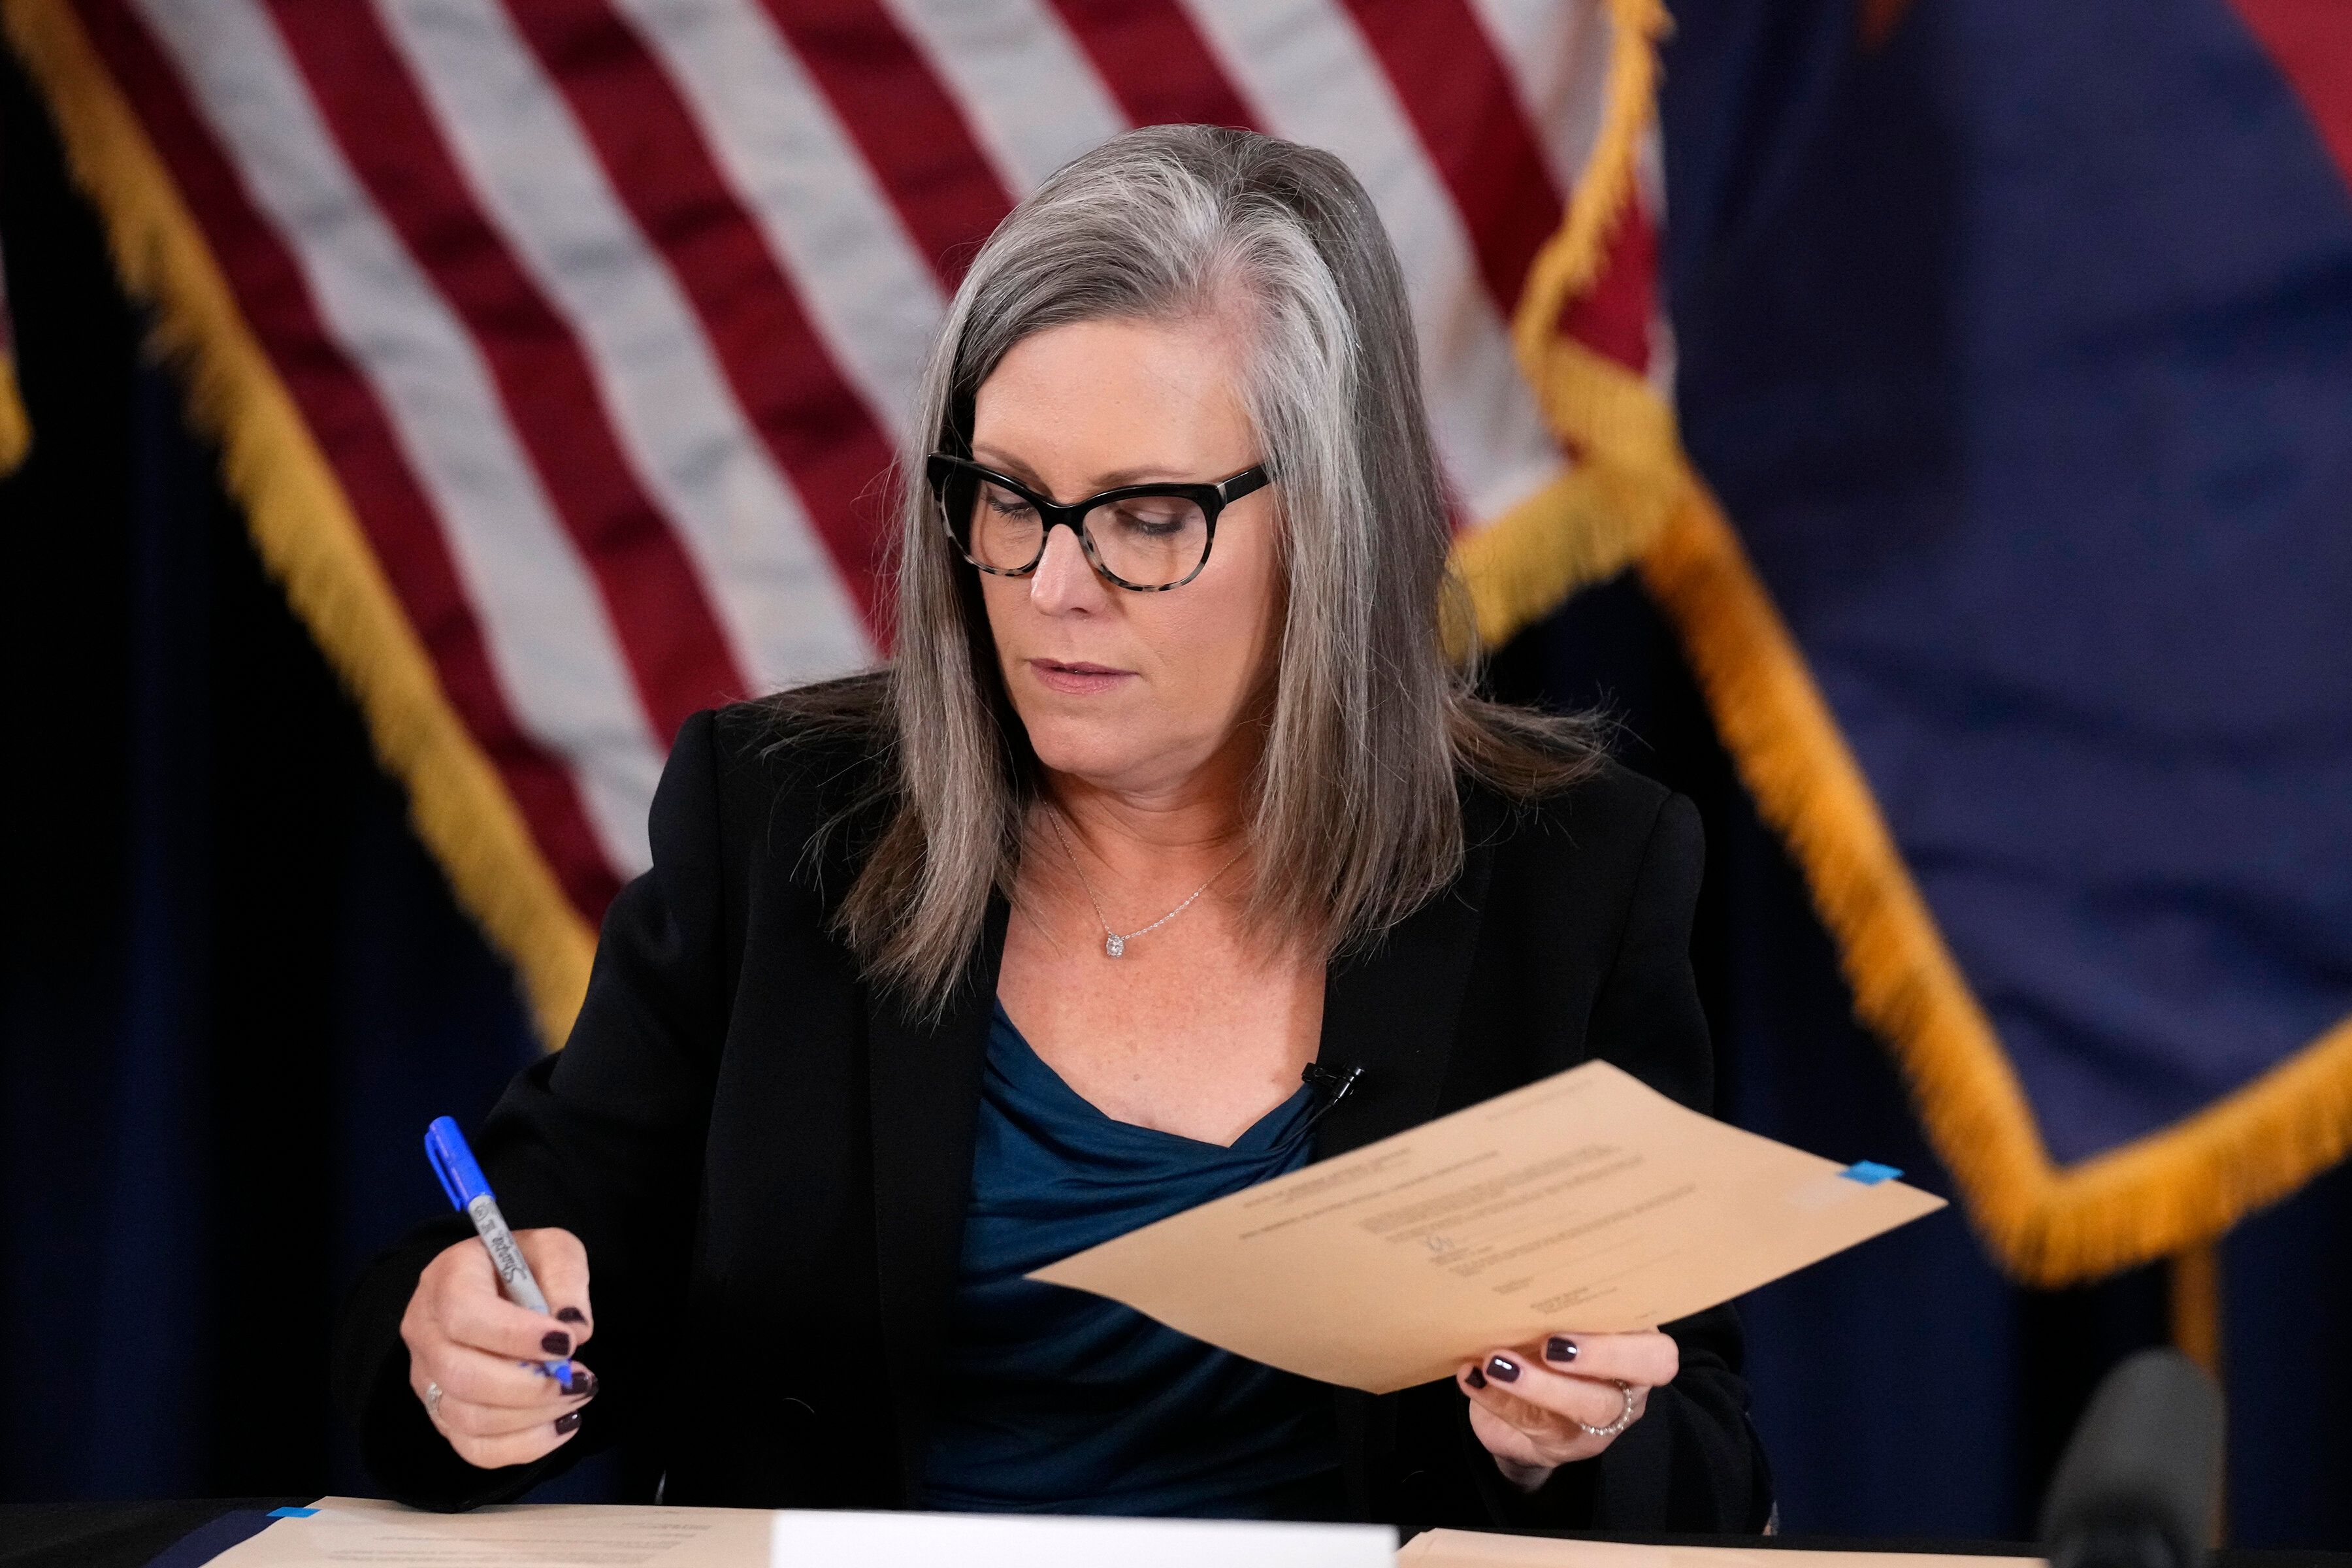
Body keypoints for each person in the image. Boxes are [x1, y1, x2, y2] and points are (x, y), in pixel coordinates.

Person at [335, 124, 1770, 1529]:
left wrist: (1565, 1442)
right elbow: (519, 1253)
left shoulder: (1572, 873)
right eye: (1005, 500)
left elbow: (1710, 1463)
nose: (1050, 587)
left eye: (1147, 517)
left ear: (1333, 531)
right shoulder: (781, 817)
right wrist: (469, 1354)